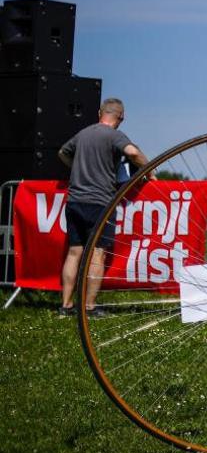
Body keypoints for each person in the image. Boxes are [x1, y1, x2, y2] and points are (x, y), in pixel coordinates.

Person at [56, 98, 150, 316]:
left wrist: (75, 167)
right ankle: (89, 306)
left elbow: (62, 152)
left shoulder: (84, 133)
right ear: (121, 118)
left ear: (100, 112)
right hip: (100, 203)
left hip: (75, 201)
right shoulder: (114, 135)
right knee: (98, 254)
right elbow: (133, 153)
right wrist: (150, 169)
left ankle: (65, 305)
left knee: (74, 253)